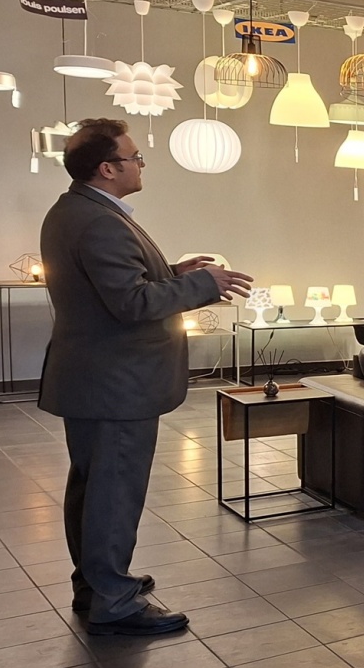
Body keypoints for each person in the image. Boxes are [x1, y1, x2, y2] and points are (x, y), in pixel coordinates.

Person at [39, 118, 252, 636]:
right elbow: (131, 303)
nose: (140, 164)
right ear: (107, 168)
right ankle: (114, 601)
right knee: (113, 491)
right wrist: (203, 284)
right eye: (134, 157)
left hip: (94, 379)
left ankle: (97, 584)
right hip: (117, 383)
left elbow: (113, 286)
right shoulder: (101, 222)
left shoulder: (75, 210)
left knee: (92, 486)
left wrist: (172, 273)